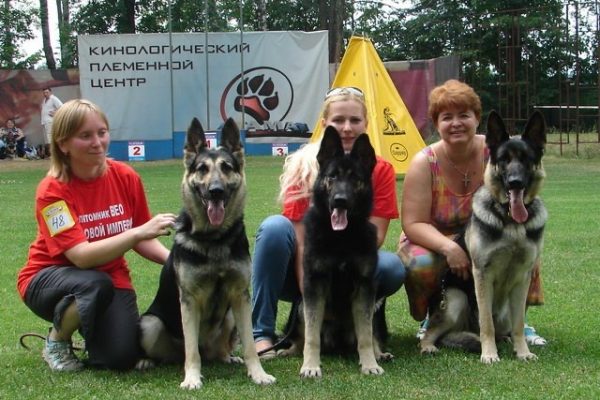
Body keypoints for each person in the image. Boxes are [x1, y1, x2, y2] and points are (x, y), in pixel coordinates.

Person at [16, 99, 178, 372]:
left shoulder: (125, 176)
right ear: (63, 144)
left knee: (120, 358)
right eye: (85, 136)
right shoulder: (52, 192)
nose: (97, 143)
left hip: (110, 279)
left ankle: (90, 327)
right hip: (48, 278)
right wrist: (137, 232)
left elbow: (143, 239)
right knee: (93, 284)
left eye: (102, 133)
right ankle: (58, 340)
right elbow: (81, 257)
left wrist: (175, 262)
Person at [251, 87, 406, 358]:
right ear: (324, 124)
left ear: (366, 124)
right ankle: (262, 334)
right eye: (338, 120)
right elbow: (302, 243)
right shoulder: (304, 165)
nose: (347, 128)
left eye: (355, 120)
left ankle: (355, 327)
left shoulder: (380, 169)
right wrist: (311, 294)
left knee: (390, 266)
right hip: (306, 268)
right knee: (274, 228)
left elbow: (376, 237)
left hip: (351, 265)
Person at [398, 79, 546, 345]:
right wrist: (450, 248)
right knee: (421, 263)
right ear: (436, 123)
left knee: (524, 247)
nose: (456, 123)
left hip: (486, 232)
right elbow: (413, 223)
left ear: (477, 119)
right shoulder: (424, 162)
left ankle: (515, 323)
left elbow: (526, 180)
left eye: (464, 115)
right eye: (447, 117)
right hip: (433, 239)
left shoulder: (498, 152)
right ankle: (434, 318)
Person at [40, 87, 63, 158]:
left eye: (47, 92)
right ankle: (50, 154)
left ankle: (53, 155)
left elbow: (62, 107)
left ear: (50, 92)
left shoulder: (54, 99)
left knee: (50, 138)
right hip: (44, 122)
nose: (45, 94)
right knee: (47, 139)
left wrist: (56, 113)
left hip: (50, 121)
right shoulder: (44, 100)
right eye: (44, 93)